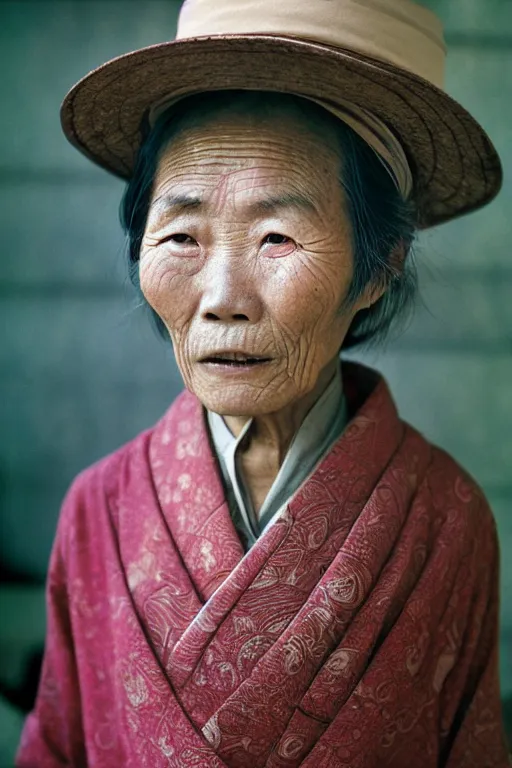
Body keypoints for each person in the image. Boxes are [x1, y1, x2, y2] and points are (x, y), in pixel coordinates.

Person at [16, 0, 510, 766]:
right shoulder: (99, 511)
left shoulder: (444, 523)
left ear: (381, 266)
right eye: (180, 235)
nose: (221, 297)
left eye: (277, 236)